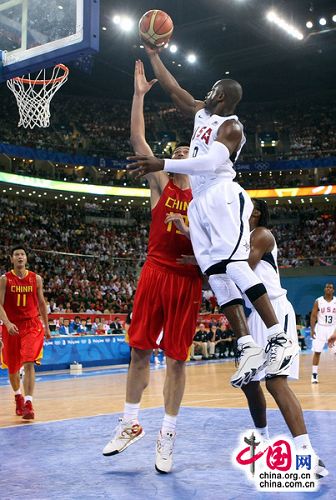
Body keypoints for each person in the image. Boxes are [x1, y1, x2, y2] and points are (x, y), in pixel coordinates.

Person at [127, 48, 298, 388]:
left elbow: (209, 164)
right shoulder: (200, 113)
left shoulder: (232, 127)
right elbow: (175, 88)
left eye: (211, 90)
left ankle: (278, 338)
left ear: (220, 96)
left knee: (234, 266)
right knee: (215, 272)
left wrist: (165, 164)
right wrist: (154, 54)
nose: (205, 93)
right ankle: (248, 345)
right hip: (201, 203)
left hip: (221, 194)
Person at [103, 60, 203, 473]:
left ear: (194, 159)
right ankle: (129, 424)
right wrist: (139, 96)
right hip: (155, 272)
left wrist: (196, 246)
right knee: (139, 351)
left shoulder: (207, 195)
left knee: (177, 360)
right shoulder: (161, 184)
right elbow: (137, 138)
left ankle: (168, 435)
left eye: (186, 151)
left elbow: (223, 249)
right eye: (174, 151)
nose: (179, 152)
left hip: (188, 278)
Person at [240, 199, 328, 479]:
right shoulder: (239, 237)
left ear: (256, 213)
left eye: (247, 205)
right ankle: (263, 442)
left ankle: (308, 455)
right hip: (253, 314)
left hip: (274, 311)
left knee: (275, 383)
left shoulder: (261, 235)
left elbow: (240, 269)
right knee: (250, 383)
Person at [0, 246, 51, 420]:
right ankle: (18, 397)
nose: (20, 257)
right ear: (12, 259)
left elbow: (42, 303)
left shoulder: (36, 279)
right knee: (13, 367)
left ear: (26, 258)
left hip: (31, 324)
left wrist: (47, 326)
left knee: (29, 362)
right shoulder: (5, 279)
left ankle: (29, 402)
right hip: (12, 327)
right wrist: (6, 323)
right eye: (16, 255)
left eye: (22, 254)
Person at [310, 283, 336, 384]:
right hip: (320, 328)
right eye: (327, 287)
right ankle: (314, 374)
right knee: (317, 352)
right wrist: (312, 329)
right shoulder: (318, 301)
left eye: (330, 287)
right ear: (324, 289)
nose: (328, 289)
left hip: (332, 328)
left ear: (333, 290)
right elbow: (313, 316)